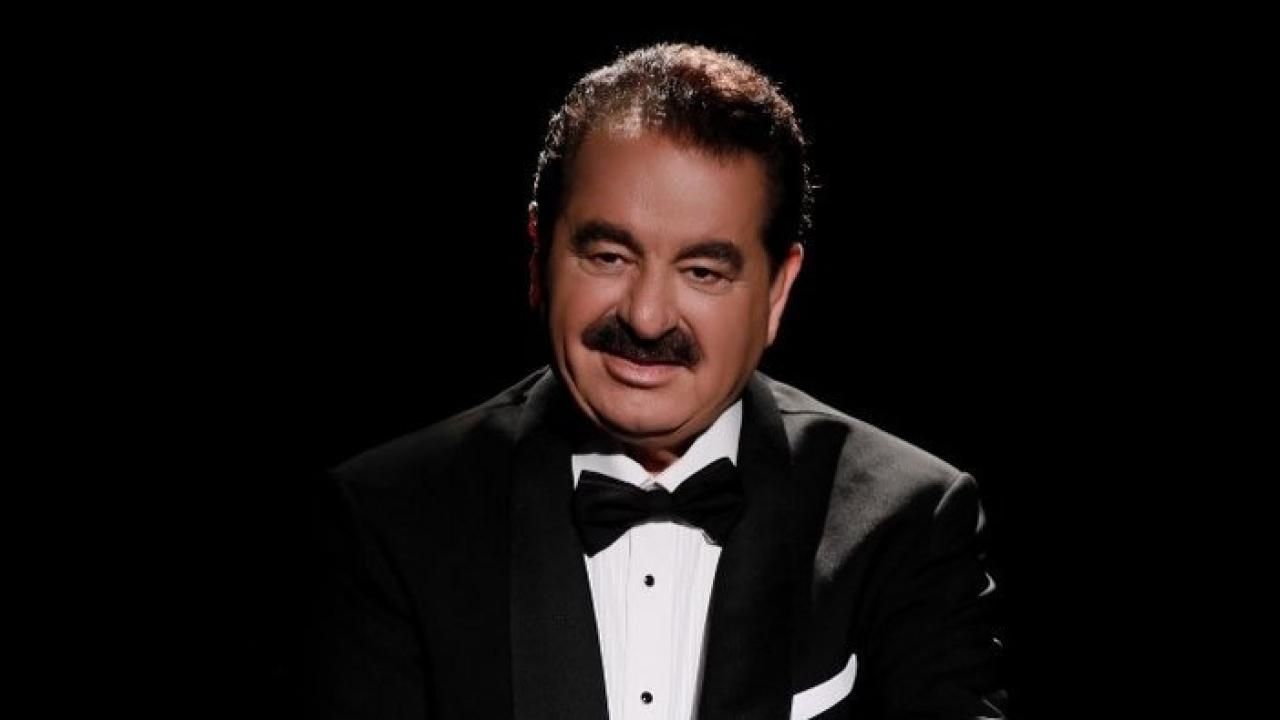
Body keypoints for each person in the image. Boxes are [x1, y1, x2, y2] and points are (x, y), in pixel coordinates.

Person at [305, 43, 1007, 719]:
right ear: (538, 257)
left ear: (777, 291)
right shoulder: (390, 521)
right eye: (609, 256)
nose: (646, 317)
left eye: (703, 271)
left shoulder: (906, 522)